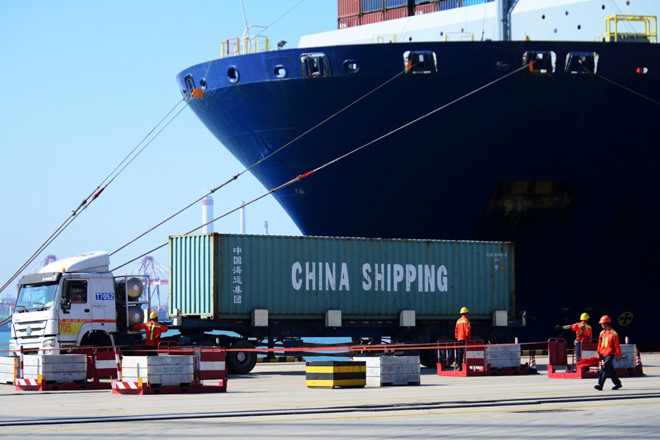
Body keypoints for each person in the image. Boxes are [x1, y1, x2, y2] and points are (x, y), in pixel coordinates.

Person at [594, 315, 622, 391]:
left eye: (602, 323)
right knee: (611, 370)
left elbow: (617, 346)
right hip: (603, 354)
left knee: (605, 368)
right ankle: (617, 383)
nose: (601, 325)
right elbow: (600, 344)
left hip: (610, 354)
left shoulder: (614, 334)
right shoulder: (601, 333)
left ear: (606, 323)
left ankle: (600, 384)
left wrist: (618, 356)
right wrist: (598, 353)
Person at [454, 306, 471, 371]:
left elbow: (456, 331)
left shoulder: (458, 321)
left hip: (459, 339)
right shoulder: (466, 321)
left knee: (460, 353)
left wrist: (457, 337)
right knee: (465, 353)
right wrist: (468, 338)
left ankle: (460, 367)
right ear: (466, 313)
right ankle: (465, 367)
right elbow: (467, 331)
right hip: (465, 339)